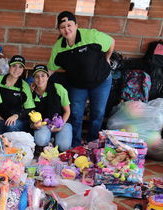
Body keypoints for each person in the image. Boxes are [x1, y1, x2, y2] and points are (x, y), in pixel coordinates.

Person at [47, 11, 115, 147]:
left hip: (101, 80)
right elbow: (51, 68)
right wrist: (39, 81)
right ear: (59, 30)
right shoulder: (58, 47)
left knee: (98, 113)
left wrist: (107, 58)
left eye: (69, 25)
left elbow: (111, 42)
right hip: (77, 84)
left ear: (76, 25)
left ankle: (92, 143)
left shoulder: (91, 35)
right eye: (62, 27)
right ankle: (76, 145)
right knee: (76, 114)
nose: (66, 29)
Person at [29, 65, 72, 152]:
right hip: (44, 124)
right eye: (37, 76)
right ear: (33, 78)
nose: (40, 79)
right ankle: (49, 141)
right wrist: (34, 125)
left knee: (64, 146)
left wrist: (60, 126)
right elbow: (29, 114)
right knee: (40, 140)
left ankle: (55, 139)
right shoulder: (31, 92)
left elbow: (67, 111)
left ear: (48, 77)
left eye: (43, 75)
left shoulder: (58, 88)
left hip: (61, 122)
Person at [0, 55, 31, 135]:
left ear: (23, 69)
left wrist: (16, 116)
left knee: (11, 126)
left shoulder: (24, 86)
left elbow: (29, 108)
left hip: (16, 120)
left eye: (20, 67)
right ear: (9, 67)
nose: (17, 69)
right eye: (14, 66)